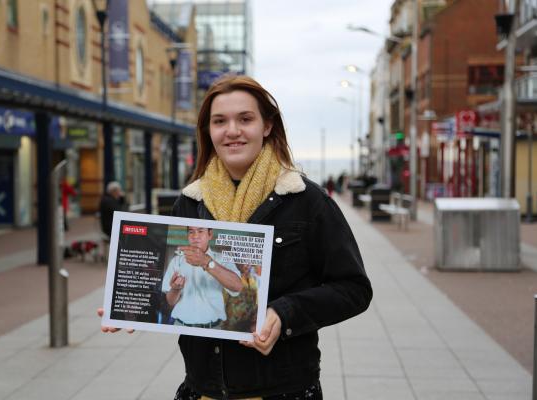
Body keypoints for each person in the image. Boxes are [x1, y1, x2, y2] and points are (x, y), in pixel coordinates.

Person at [98, 75, 372, 399]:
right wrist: (132, 303)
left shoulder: (306, 201)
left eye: (245, 119)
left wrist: (285, 313)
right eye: (219, 121)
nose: (232, 131)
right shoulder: (190, 202)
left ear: (267, 126)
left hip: (283, 390)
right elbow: (170, 281)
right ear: (208, 131)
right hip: (204, 389)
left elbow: (354, 289)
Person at [162, 226, 243, 329]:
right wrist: (175, 288)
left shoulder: (223, 259)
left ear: (210, 234)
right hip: (180, 326)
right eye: (191, 232)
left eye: (200, 231)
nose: (195, 236)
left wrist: (206, 262)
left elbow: (237, 287)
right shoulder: (176, 261)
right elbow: (170, 301)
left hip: (214, 328)